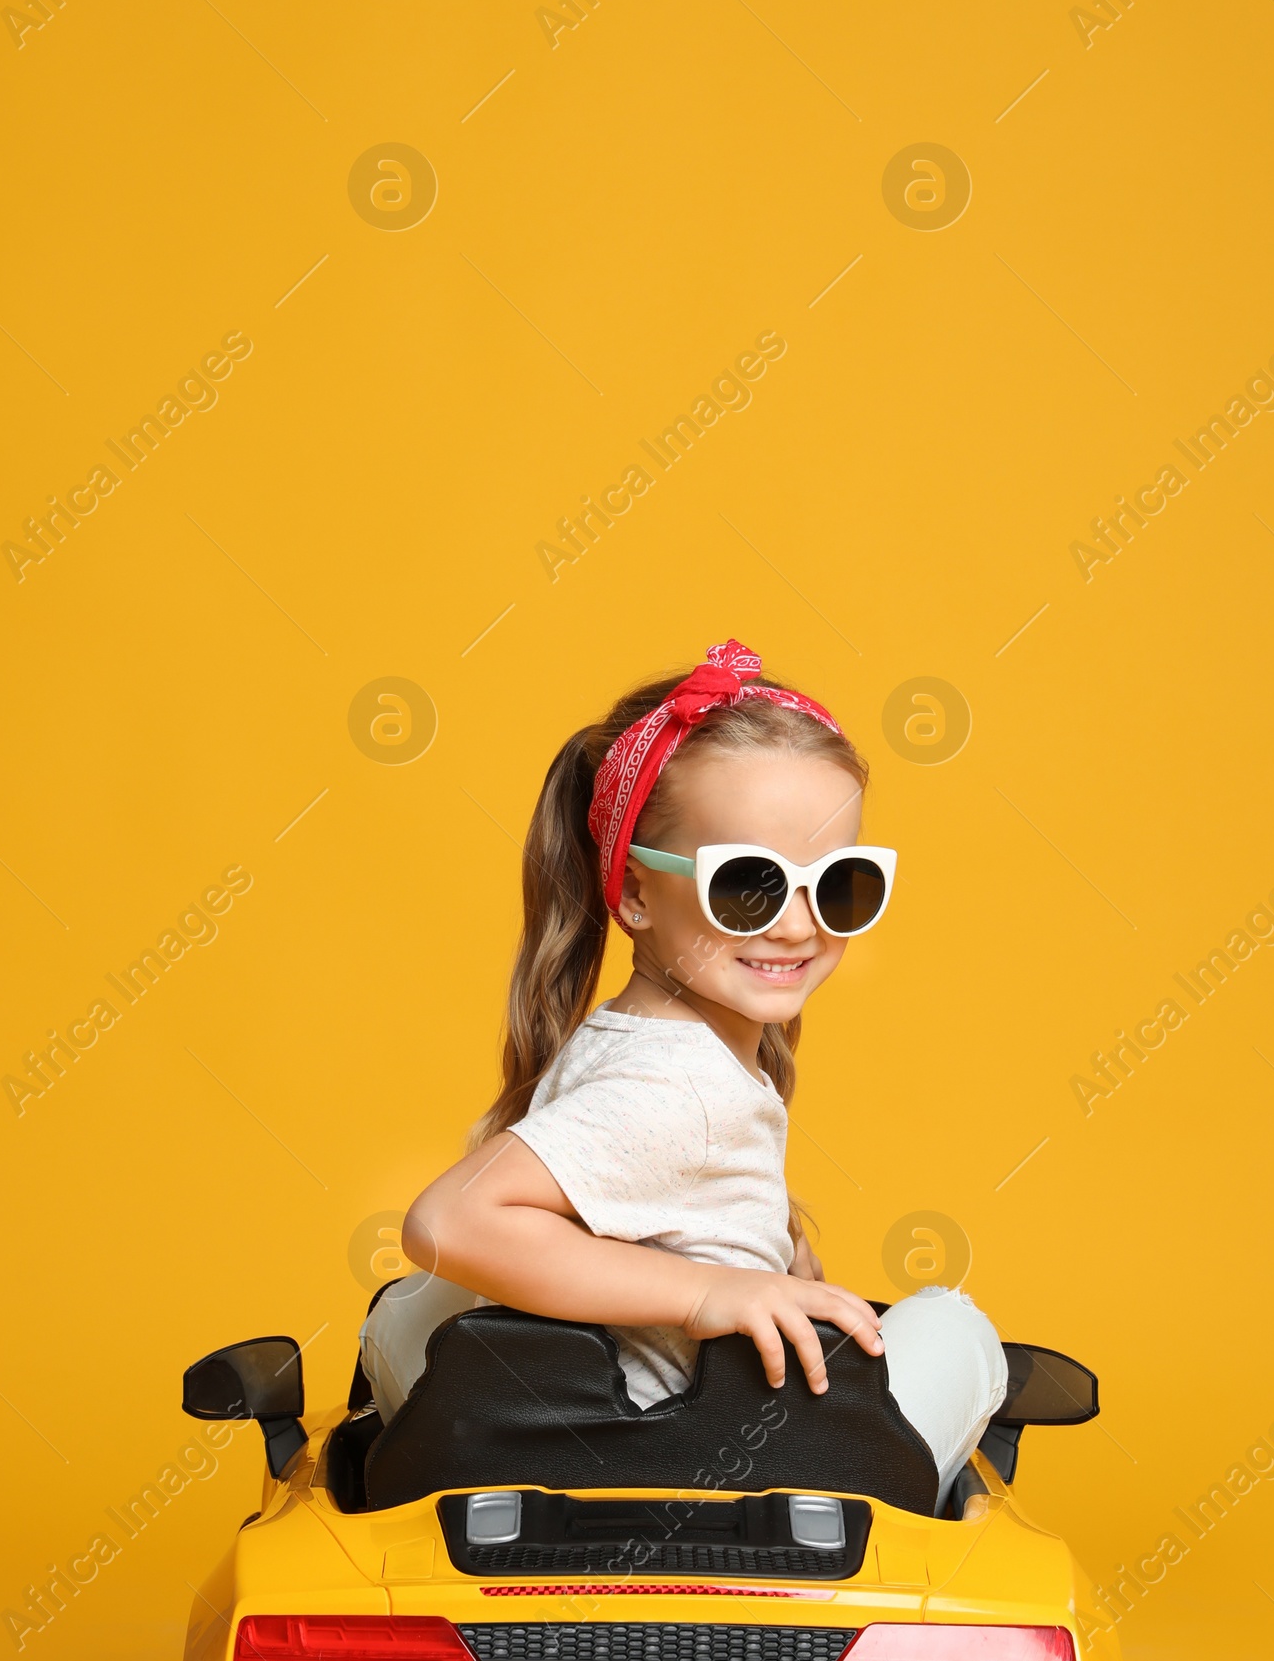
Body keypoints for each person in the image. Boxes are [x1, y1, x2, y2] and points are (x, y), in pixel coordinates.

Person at [361, 639, 1007, 1509]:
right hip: (724, 1454)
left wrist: (773, 1267)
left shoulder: (638, 1040)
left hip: (619, 1420)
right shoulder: (675, 1089)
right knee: (956, 1326)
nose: (798, 927)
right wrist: (708, 1291)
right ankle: (869, 1495)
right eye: (748, 885)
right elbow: (448, 1221)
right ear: (633, 894)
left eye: (841, 885)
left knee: (407, 1314)